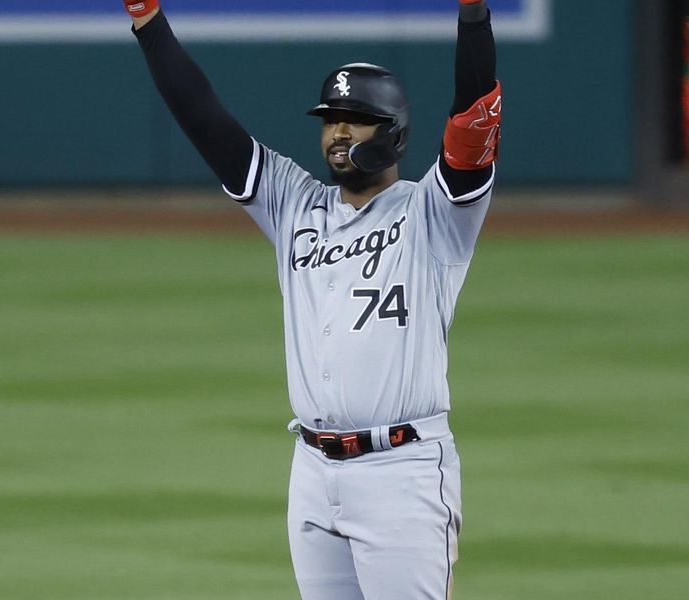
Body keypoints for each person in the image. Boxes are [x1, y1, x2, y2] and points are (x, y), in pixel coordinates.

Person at [122, 1, 500, 598]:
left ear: (394, 132)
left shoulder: (436, 213)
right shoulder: (293, 205)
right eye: (330, 119)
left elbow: (474, 114)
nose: (339, 132)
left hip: (401, 474)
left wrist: (474, 16)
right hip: (313, 470)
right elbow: (205, 119)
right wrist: (148, 20)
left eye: (357, 118)